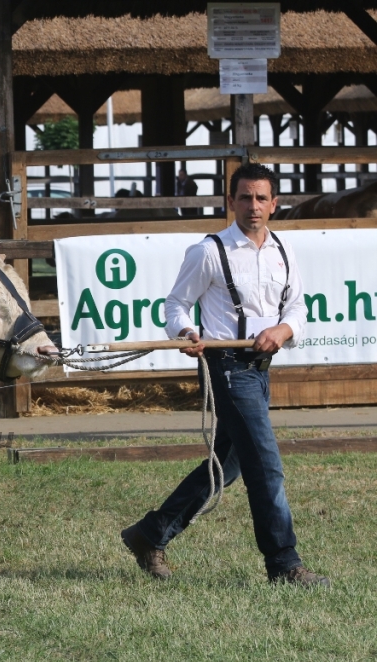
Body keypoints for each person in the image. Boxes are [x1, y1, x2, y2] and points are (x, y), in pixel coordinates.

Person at [121, 163, 329, 588]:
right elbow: (175, 305)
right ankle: (284, 564)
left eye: (261, 198)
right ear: (229, 201)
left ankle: (150, 533)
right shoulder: (209, 251)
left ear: (275, 203)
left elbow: (298, 310)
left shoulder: (282, 252)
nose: (253, 206)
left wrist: (283, 330)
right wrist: (186, 332)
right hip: (228, 368)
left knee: (227, 466)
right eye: (244, 197)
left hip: (261, 369)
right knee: (265, 466)